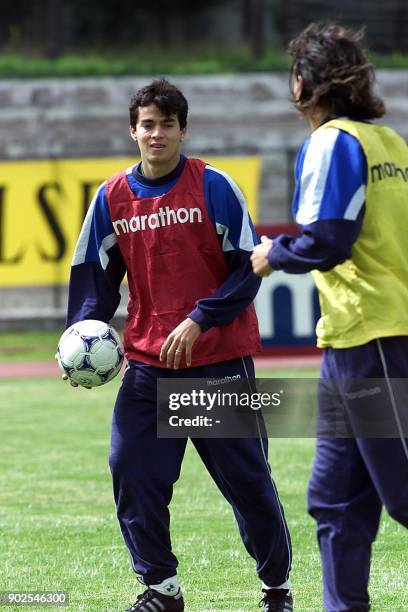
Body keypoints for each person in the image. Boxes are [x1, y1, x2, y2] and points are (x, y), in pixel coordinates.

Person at [64, 78, 293, 612]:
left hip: (217, 366)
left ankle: (276, 588)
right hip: (147, 367)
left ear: (183, 130)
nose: (157, 133)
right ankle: (161, 590)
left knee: (248, 486)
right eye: (148, 124)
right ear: (133, 130)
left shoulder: (214, 187)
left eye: (168, 124)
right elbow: (94, 277)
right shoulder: (112, 198)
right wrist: (81, 336)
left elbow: (248, 271)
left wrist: (200, 319)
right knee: (132, 471)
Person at [251, 22, 408, 612]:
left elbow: (329, 240)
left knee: (403, 493)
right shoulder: (391, 144)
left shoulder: (332, 142)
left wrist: (273, 255)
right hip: (355, 338)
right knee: (336, 498)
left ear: (305, 83)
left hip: (372, 335)